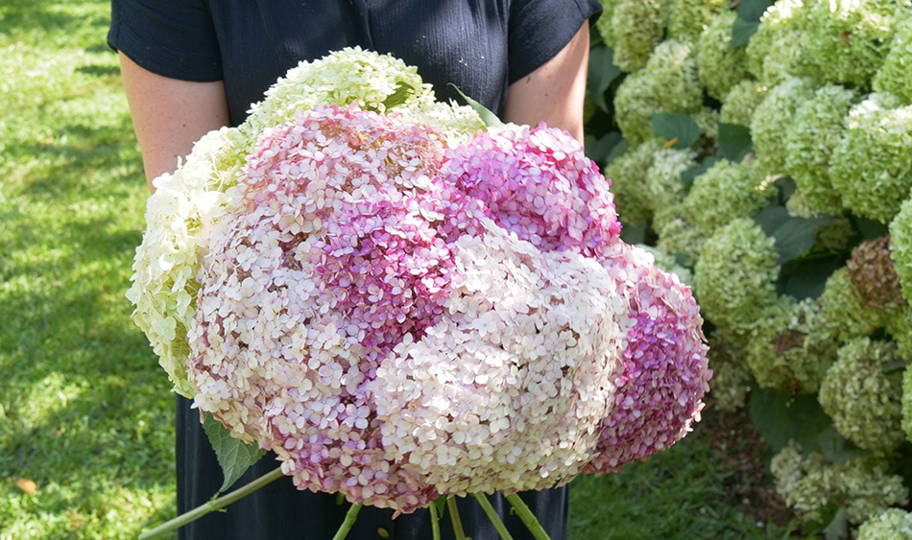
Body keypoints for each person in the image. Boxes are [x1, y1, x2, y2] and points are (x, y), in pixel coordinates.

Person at [109, 1, 600, 538]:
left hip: (487, 386)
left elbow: (554, 198)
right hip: (275, 390)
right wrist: (328, 401)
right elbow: (188, 209)